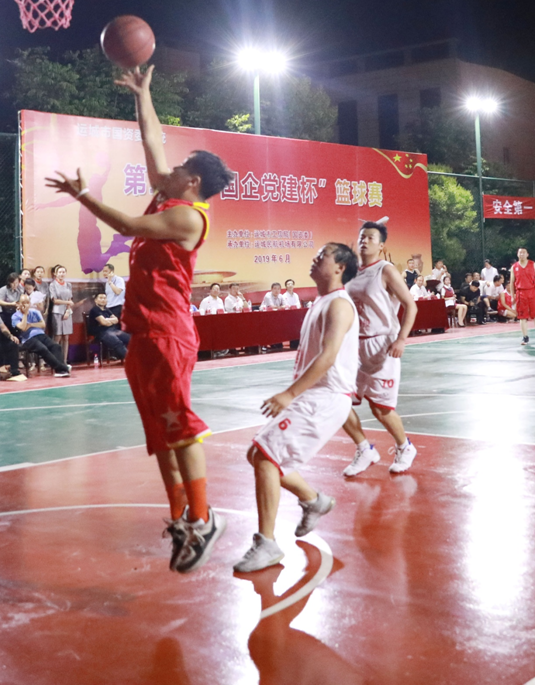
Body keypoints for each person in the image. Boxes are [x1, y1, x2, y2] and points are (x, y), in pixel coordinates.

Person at [46, 63, 234, 574]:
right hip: (144, 333)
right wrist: (142, 93)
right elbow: (153, 142)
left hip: (170, 334)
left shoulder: (187, 216)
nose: (167, 169)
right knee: (160, 435)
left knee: (181, 429)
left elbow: (128, 224)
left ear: (192, 180)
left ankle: (204, 518)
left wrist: (83, 196)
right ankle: (181, 519)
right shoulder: (169, 195)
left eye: (179, 167)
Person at [233, 243, 359, 572]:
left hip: (325, 397)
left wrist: (289, 394)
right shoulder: (321, 301)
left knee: (265, 456)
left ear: (340, 267)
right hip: (314, 396)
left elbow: (328, 357)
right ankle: (313, 500)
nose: (315, 258)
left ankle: (267, 543)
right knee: (258, 455)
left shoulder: (340, 305)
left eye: (323, 255)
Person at [342, 221, 418, 476]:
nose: (364, 241)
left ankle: (405, 447)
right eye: (361, 236)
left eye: (371, 238)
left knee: (381, 409)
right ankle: (364, 449)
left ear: (381, 245)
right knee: (338, 401)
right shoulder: (351, 272)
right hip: (354, 345)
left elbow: (411, 305)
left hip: (381, 345)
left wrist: (401, 339)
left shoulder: (385, 270)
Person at [11, 295, 71, 376]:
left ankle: (60, 370)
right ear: (19, 304)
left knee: (56, 346)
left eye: (27, 302)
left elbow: (43, 324)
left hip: (40, 334)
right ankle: (63, 368)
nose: (25, 305)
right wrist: (25, 314)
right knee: (43, 349)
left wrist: (30, 325)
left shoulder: (35, 312)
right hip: (28, 339)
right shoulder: (15, 316)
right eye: (23, 303)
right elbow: (23, 328)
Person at [509, 248, 535, 345]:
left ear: (527, 254)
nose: (521, 254)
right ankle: (525, 337)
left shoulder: (533, 264)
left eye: (523, 252)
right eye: (520, 253)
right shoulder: (514, 267)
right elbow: (512, 282)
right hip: (521, 293)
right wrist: (512, 295)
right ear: (517, 254)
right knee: (522, 316)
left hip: (532, 291)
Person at [89, 292, 131, 360]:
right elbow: (103, 322)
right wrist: (110, 321)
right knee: (117, 342)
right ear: (95, 300)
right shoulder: (95, 310)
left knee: (130, 338)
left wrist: (107, 320)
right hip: (101, 333)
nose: (103, 300)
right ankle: (130, 359)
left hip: (113, 330)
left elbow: (116, 320)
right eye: (101, 298)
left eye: (104, 298)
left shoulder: (106, 309)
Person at [49, 265, 76, 364]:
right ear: (55, 274)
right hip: (57, 312)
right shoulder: (52, 285)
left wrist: (68, 311)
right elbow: (55, 300)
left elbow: (70, 298)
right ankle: (56, 360)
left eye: (63, 272)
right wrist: (67, 303)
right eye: (60, 272)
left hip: (67, 312)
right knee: (58, 336)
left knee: (66, 337)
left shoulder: (68, 285)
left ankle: (64, 361)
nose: (62, 274)